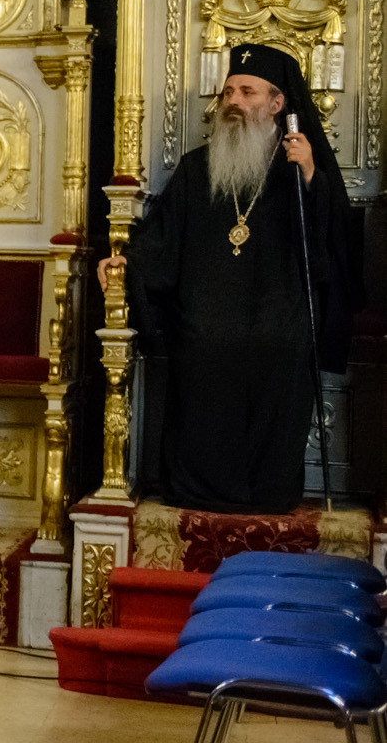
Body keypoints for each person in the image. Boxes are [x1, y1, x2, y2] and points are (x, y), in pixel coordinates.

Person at [106, 43, 360, 513]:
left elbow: (326, 247)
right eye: (228, 93)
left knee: (281, 341)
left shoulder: (297, 166)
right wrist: (128, 262)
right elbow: (165, 238)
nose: (234, 102)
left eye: (247, 92)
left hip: (277, 307)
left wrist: (308, 176)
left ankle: (267, 491)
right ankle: (195, 487)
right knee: (202, 339)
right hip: (207, 310)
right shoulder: (196, 168)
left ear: (278, 103)